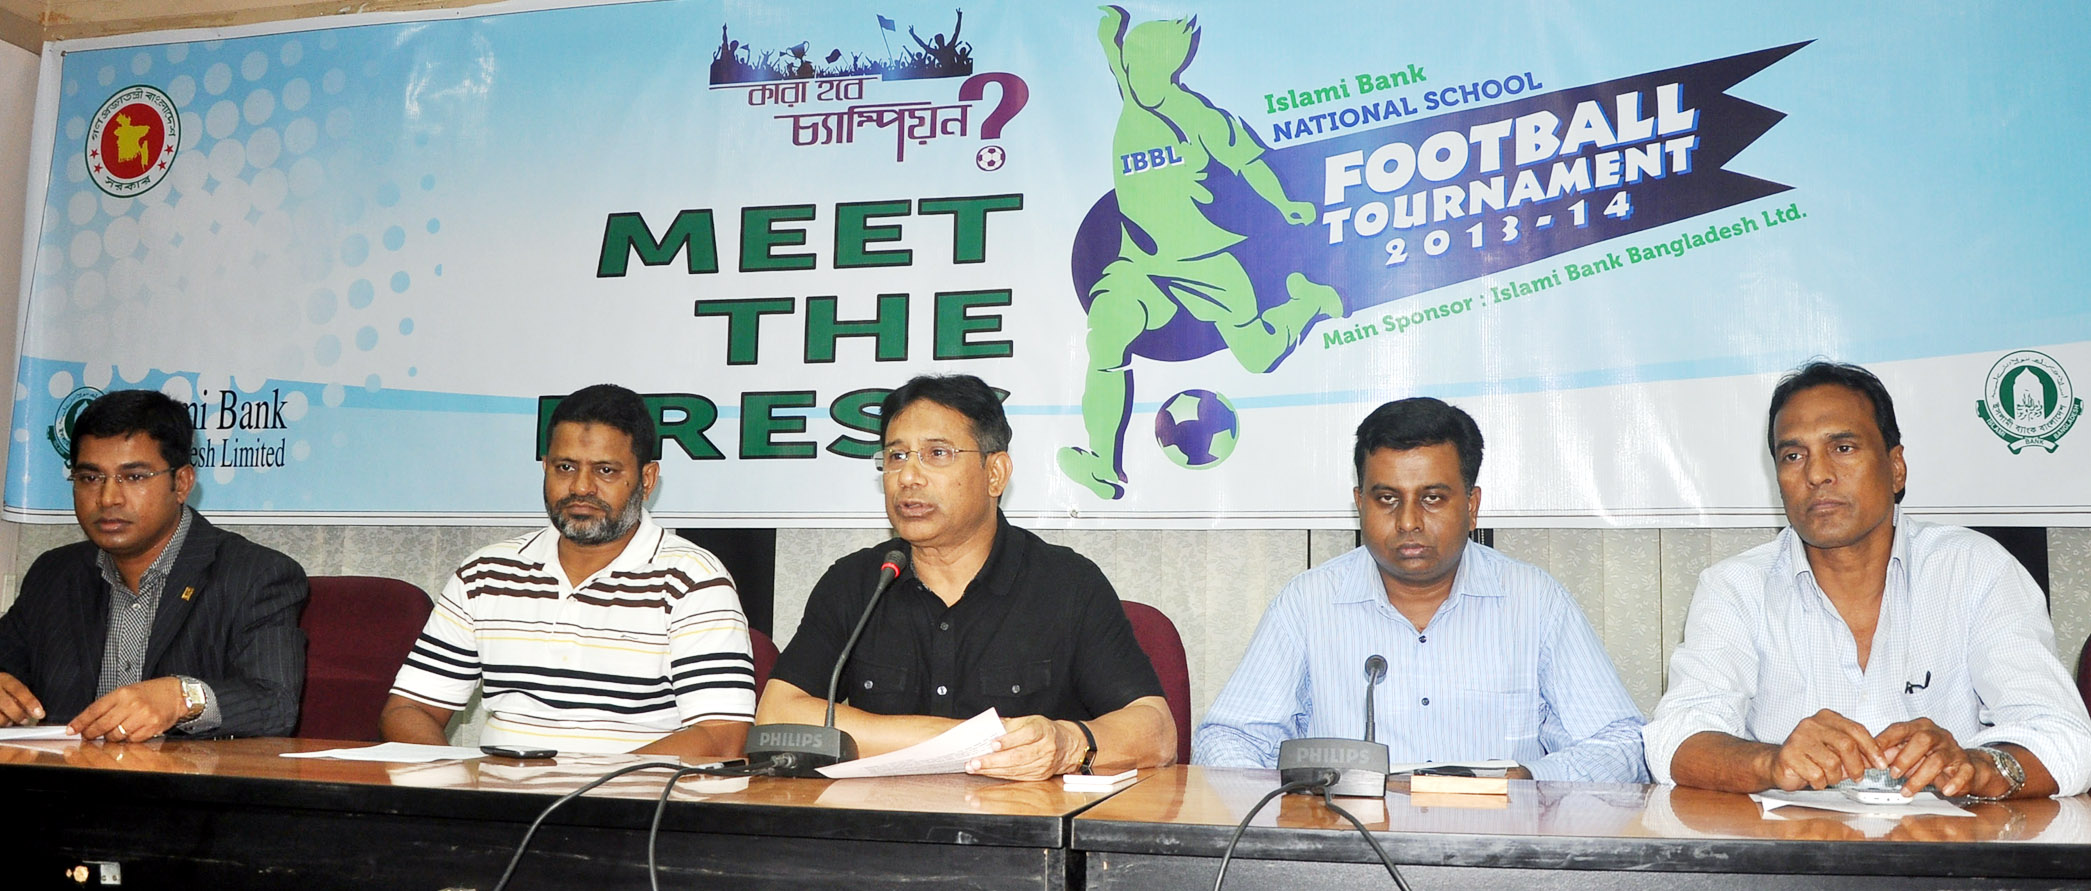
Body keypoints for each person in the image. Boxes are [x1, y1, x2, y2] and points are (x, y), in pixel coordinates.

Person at [1645, 361, 2091, 798]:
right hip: (1792, 844)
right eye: (1793, 456)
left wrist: (1979, 768)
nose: (1816, 474)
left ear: (1896, 468)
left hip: (1949, 843)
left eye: (1843, 448)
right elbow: (1676, 739)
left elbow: (2067, 739)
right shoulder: (1735, 588)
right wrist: (1771, 763)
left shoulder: (1975, 570)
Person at [1196, 397, 1647, 781]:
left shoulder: (1535, 602)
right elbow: (1227, 739)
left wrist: (1530, 782)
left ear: (1471, 506)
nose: (1408, 521)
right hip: (1350, 843)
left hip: (1496, 843)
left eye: (1432, 498)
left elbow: (1621, 744)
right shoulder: (1306, 604)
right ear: (1359, 504)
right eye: (1387, 499)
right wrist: (1293, 804)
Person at [758, 374, 1174, 780]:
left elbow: (1155, 731)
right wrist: (973, 742)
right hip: (881, 821)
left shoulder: (1067, 584)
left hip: (1023, 822)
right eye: (896, 457)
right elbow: (777, 714)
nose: (908, 477)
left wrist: (1066, 744)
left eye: (937, 453)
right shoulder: (857, 584)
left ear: (995, 474)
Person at [1058, 6, 1344, 500]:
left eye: (1147, 65)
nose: (1135, 72)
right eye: (1132, 63)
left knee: (1258, 357)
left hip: (1204, 263)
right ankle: (1103, 463)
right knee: (1105, 337)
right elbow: (1113, 57)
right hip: (1139, 263)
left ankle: (1310, 302)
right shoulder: (1131, 93)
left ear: (1169, 66)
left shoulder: (1197, 116)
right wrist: (1110, 32)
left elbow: (1250, 162)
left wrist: (1286, 204)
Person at [382, 384, 754, 757]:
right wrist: (454, 776)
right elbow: (408, 709)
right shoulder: (485, 574)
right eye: (565, 467)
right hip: (498, 790)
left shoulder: (692, 581)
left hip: (636, 792)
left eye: (605, 470)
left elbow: (722, 735)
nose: (581, 487)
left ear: (647, 479)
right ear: (545, 467)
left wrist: (593, 786)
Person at [0, 389, 307, 740]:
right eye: (90, 478)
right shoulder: (54, 574)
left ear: (182, 483)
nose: (108, 498)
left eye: (134, 477)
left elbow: (275, 705)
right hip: (64, 775)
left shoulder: (255, 575)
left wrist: (183, 698)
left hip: (187, 776)